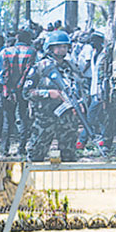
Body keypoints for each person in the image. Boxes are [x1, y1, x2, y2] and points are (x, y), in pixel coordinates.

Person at [23, 30, 84, 162]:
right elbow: (26, 92)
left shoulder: (71, 67)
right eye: (59, 46)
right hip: (45, 118)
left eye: (65, 46)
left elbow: (80, 88)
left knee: (69, 155)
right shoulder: (40, 67)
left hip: (67, 119)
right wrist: (48, 94)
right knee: (36, 154)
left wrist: (80, 103)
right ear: (50, 48)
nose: (62, 49)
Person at [0, 29, 37, 157]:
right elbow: (27, 73)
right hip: (22, 91)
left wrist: (9, 90)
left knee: (7, 121)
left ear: (17, 37)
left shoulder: (6, 51)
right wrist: (18, 89)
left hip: (8, 91)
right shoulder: (31, 52)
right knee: (22, 119)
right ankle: (21, 149)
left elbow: (5, 73)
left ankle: (4, 150)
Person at [75, 30, 107, 150]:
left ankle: (82, 141)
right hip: (94, 90)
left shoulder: (105, 55)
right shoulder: (94, 54)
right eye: (91, 40)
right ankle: (103, 140)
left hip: (101, 92)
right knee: (100, 117)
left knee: (90, 116)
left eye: (95, 40)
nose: (92, 43)